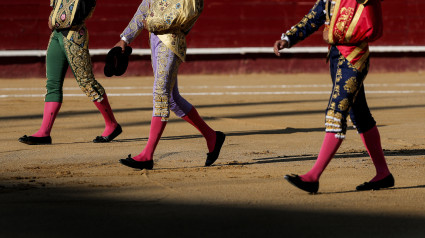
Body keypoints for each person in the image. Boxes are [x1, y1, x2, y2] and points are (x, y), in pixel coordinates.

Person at [273, 0, 394, 193]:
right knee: (360, 115)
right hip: (336, 56)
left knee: (336, 114)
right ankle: (383, 173)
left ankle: (313, 177)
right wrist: (288, 38)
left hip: (354, 58)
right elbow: (314, 17)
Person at [115, 0, 225, 170]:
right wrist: (125, 38)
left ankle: (147, 155)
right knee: (172, 99)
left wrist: (150, 23)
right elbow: (146, 6)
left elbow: (186, 14)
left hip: (171, 42)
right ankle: (212, 137)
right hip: (155, 39)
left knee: (161, 94)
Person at [18, 0, 122, 145]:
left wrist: (57, 20)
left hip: (75, 35)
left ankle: (112, 125)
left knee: (87, 82)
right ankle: (44, 132)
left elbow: (82, 10)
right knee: (52, 84)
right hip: (56, 35)